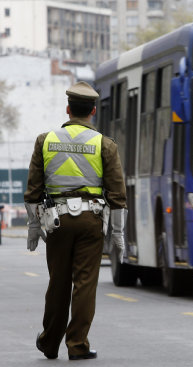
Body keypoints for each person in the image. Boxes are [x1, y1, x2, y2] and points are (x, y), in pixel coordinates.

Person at [24, 81, 127, 360]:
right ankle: (78, 345)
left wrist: (34, 226)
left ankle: (49, 343)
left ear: (68, 109)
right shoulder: (104, 144)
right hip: (91, 220)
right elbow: (118, 193)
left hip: (56, 221)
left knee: (58, 282)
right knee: (84, 283)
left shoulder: (45, 140)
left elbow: (33, 190)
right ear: (92, 111)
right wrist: (117, 232)